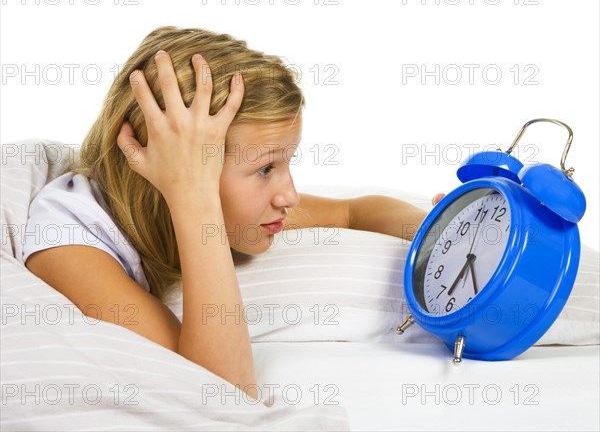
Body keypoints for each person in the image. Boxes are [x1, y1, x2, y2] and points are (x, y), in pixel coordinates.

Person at [23, 26, 437, 401]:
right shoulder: (69, 241)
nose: (288, 195)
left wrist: (439, 232)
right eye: (265, 169)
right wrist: (193, 195)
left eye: (285, 163)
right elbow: (220, 393)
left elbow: (352, 211)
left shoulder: (247, 210)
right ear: (174, 173)